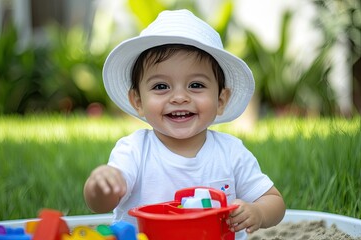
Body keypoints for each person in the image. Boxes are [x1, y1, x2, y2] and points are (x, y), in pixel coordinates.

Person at [84, 9, 285, 239]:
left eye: (196, 85)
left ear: (221, 100)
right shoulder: (134, 151)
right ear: (138, 101)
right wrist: (101, 186)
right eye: (161, 86)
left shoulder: (231, 153)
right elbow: (99, 204)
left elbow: (275, 201)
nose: (179, 97)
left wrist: (258, 211)